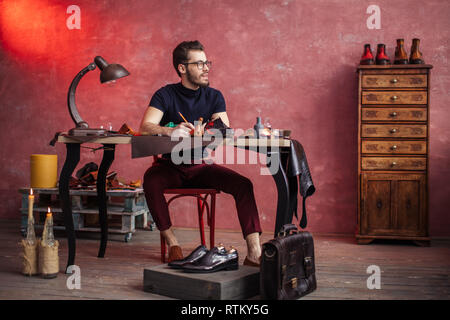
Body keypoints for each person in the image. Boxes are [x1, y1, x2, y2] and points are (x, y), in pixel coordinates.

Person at [139, 40, 262, 266]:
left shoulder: (214, 96)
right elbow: (146, 126)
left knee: (243, 185)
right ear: (182, 68)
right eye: (200, 63)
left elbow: (224, 129)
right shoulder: (165, 94)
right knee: (150, 180)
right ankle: (173, 243)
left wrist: (208, 131)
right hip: (170, 167)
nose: (206, 68)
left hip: (202, 166)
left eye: (207, 63)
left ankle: (255, 253)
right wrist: (171, 129)